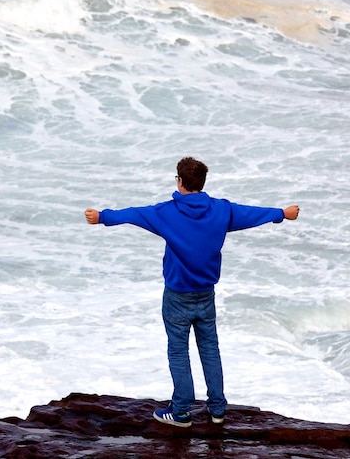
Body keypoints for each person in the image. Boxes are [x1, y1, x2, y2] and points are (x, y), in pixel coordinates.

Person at [84, 157, 299, 428]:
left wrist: (102, 217)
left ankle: (181, 411)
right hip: (206, 295)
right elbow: (251, 213)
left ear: (180, 181)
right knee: (210, 349)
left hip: (177, 296)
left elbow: (133, 214)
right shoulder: (222, 210)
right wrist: (282, 213)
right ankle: (218, 409)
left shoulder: (166, 213)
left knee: (178, 351)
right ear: (201, 182)